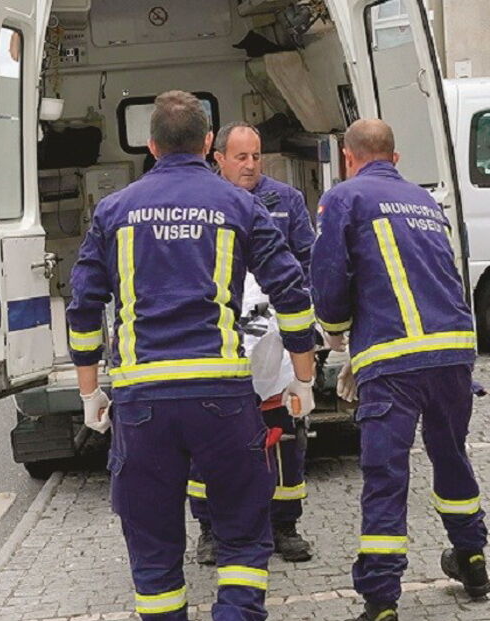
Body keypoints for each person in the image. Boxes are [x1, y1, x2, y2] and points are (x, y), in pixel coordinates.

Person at [66, 90, 317, 621]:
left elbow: (85, 306)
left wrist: (90, 393)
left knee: (155, 557)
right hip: (223, 397)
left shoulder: (114, 211)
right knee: (245, 542)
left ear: (152, 146)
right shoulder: (239, 205)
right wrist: (303, 377)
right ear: (208, 144)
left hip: (142, 403)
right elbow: (291, 293)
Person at [311, 119, 490, 621]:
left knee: (386, 475)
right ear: (395, 157)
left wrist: (336, 333)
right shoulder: (425, 201)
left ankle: (382, 597)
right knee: (451, 457)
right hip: (453, 353)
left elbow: (328, 273)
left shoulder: (345, 198)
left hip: (393, 361)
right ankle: (472, 558)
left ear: (349, 158)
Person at [188, 122, 317, 565]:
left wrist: (302, 321)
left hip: (275, 339)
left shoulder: (285, 200)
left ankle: (285, 525)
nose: (250, 165)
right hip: (218, 336)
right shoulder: (199, 201)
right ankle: (210, 529)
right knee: (208, 441)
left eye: (257, 156)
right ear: (217, 157)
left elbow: (306, 262)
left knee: (283, 434)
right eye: (241, 157)